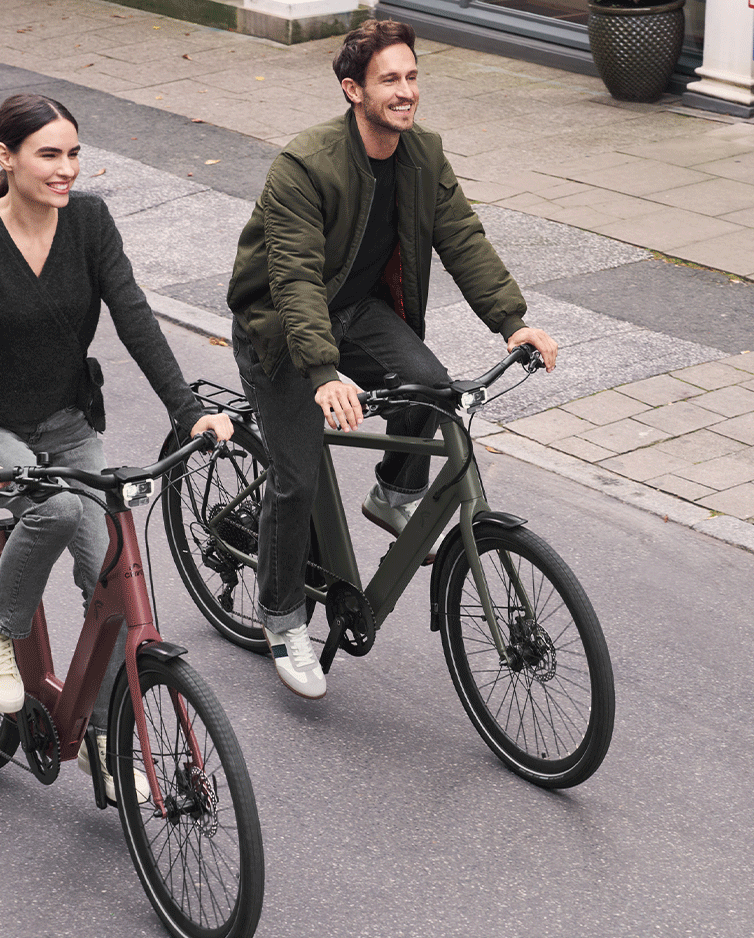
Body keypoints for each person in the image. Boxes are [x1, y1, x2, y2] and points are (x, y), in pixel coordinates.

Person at [225, 20, 558, 700]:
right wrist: (321, 373)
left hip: (357, 314)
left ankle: (393, 492)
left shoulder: (422, 156)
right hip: (282, 330)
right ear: (353, 90)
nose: (405, 92)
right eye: (389, 80)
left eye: (411, 77)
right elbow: (290, 280)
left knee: (431, 387)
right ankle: (282, 616)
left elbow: (462, 238)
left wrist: (511, 322)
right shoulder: (305, 164)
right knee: (296, 482)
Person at [0, 93, 232, 801]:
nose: (65, 169)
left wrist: (188, 411)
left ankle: (99, 737)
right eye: (48, 154)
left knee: (113, 578)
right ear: (5, 158)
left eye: (72, 153)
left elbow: (133, 315)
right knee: (59, 510)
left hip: (66, 422)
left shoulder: (89, 221)